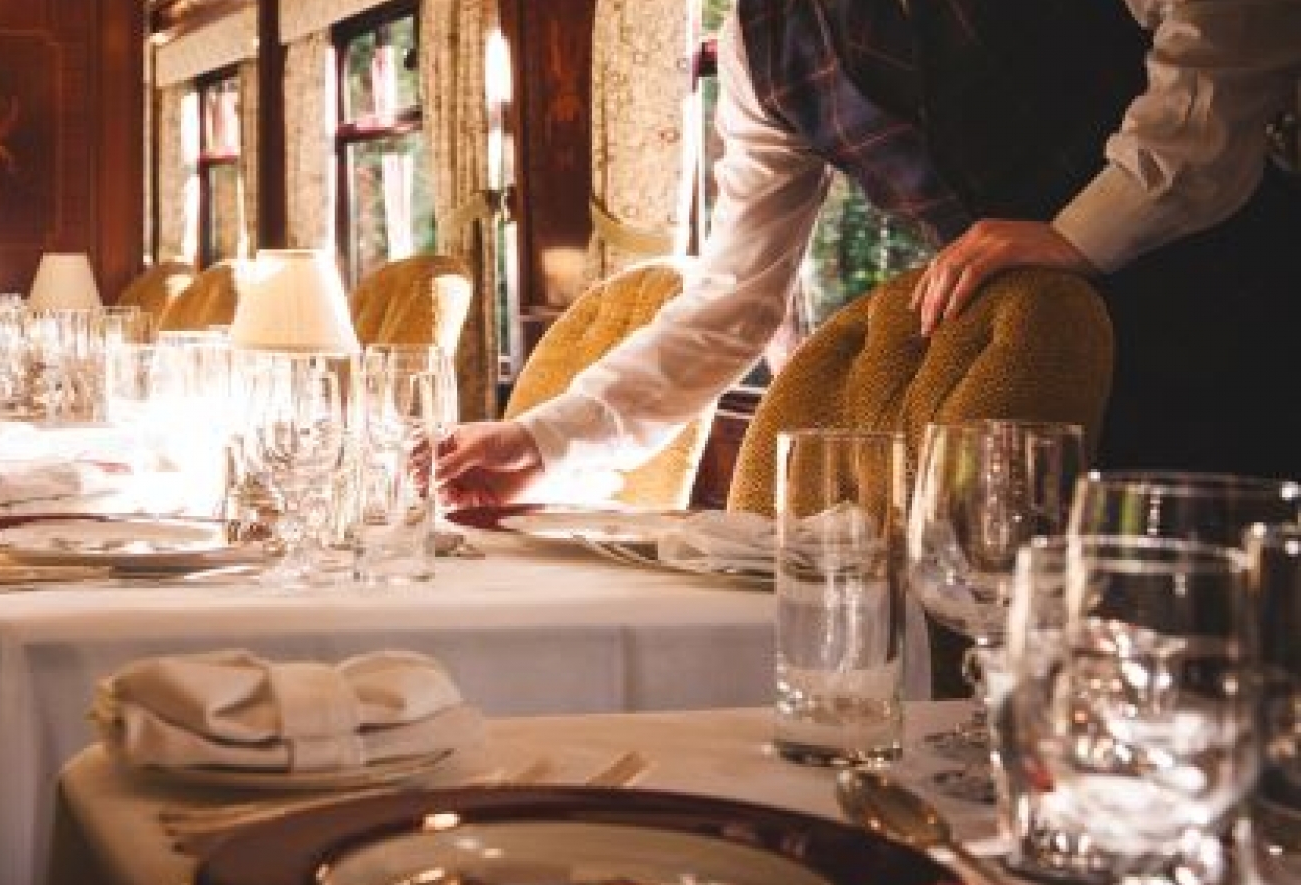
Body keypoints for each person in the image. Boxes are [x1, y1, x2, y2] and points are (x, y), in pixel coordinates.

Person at [438, 0, 1301, 509]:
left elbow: (1232, 26)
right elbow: (733, 296)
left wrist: (1091, 228)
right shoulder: (757, 43)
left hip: (1245, 333)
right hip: (1006, 407)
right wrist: (544, 441)